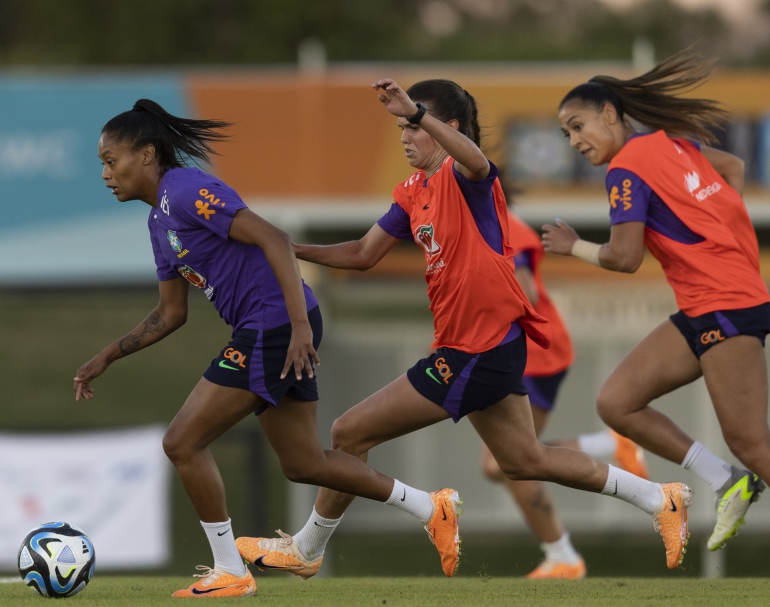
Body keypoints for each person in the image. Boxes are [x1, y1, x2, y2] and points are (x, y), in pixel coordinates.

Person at [236, 77, 692, 578]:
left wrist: (416, 113)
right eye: (401, 128)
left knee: (348, 432)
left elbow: (477, 160)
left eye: (413, 126)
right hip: (479, 349)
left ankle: (309, 548)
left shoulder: (467, 176)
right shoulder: (412, 192)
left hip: (478, 349)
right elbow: (363, 254)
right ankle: (658, 498)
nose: (405, 137)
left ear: (446, 127)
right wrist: (288, 248)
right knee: (524, 461)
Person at [72, 99, 462, 598]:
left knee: (181, 442)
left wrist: (298, 325)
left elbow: (274, 238)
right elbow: (172, 313)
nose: (106, 173)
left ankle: (229, 569)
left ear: (147, 154)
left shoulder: (186, 189)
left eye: (111, 160)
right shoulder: (158, 224)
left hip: (274, 324)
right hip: (276, 325)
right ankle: (432, 508)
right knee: (303, 464)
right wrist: (108, 355)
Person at [541, 48, 768, 553]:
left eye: (579, 126)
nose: (575, 141)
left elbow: (624, 258)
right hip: (708, 303)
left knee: (754, 442)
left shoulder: (625, 169)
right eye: (566, 135)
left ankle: (736, 472)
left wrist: (571, 245)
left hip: (723, 304)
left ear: (609, 114)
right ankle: (728, 479)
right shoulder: (674, 146)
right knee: (617, 402)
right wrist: (723, 239)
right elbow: (732, 167)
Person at [477, 208, 650, 579]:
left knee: (504, 463)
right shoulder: (470, 219)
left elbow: (527, 292)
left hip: (531, 354)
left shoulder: (498, 221)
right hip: (523, 353)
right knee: (504, 464)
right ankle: (609, 449)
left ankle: (564, 556)